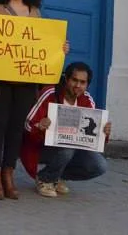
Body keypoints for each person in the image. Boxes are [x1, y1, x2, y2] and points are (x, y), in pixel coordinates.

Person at [0, 0, 68, 201]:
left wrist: (59, 50)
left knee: (16, 129)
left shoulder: (35, 12)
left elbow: (43, 44)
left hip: (26, 81)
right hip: (0, 80)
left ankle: (9, 172)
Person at [21, 62, 111, 197]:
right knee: (67, 148)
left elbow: (92, 140)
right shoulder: (50, 93)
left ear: (87, 85)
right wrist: (39, 126)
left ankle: (55, 176)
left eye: (82, 82)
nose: (78, 86)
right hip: (40, 147)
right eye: (74, 80)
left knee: (99, 165)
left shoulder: (87, 100)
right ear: (66, 79)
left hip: (69, 149)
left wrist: (104, 133)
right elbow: (27, 125)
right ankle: (45, 179)